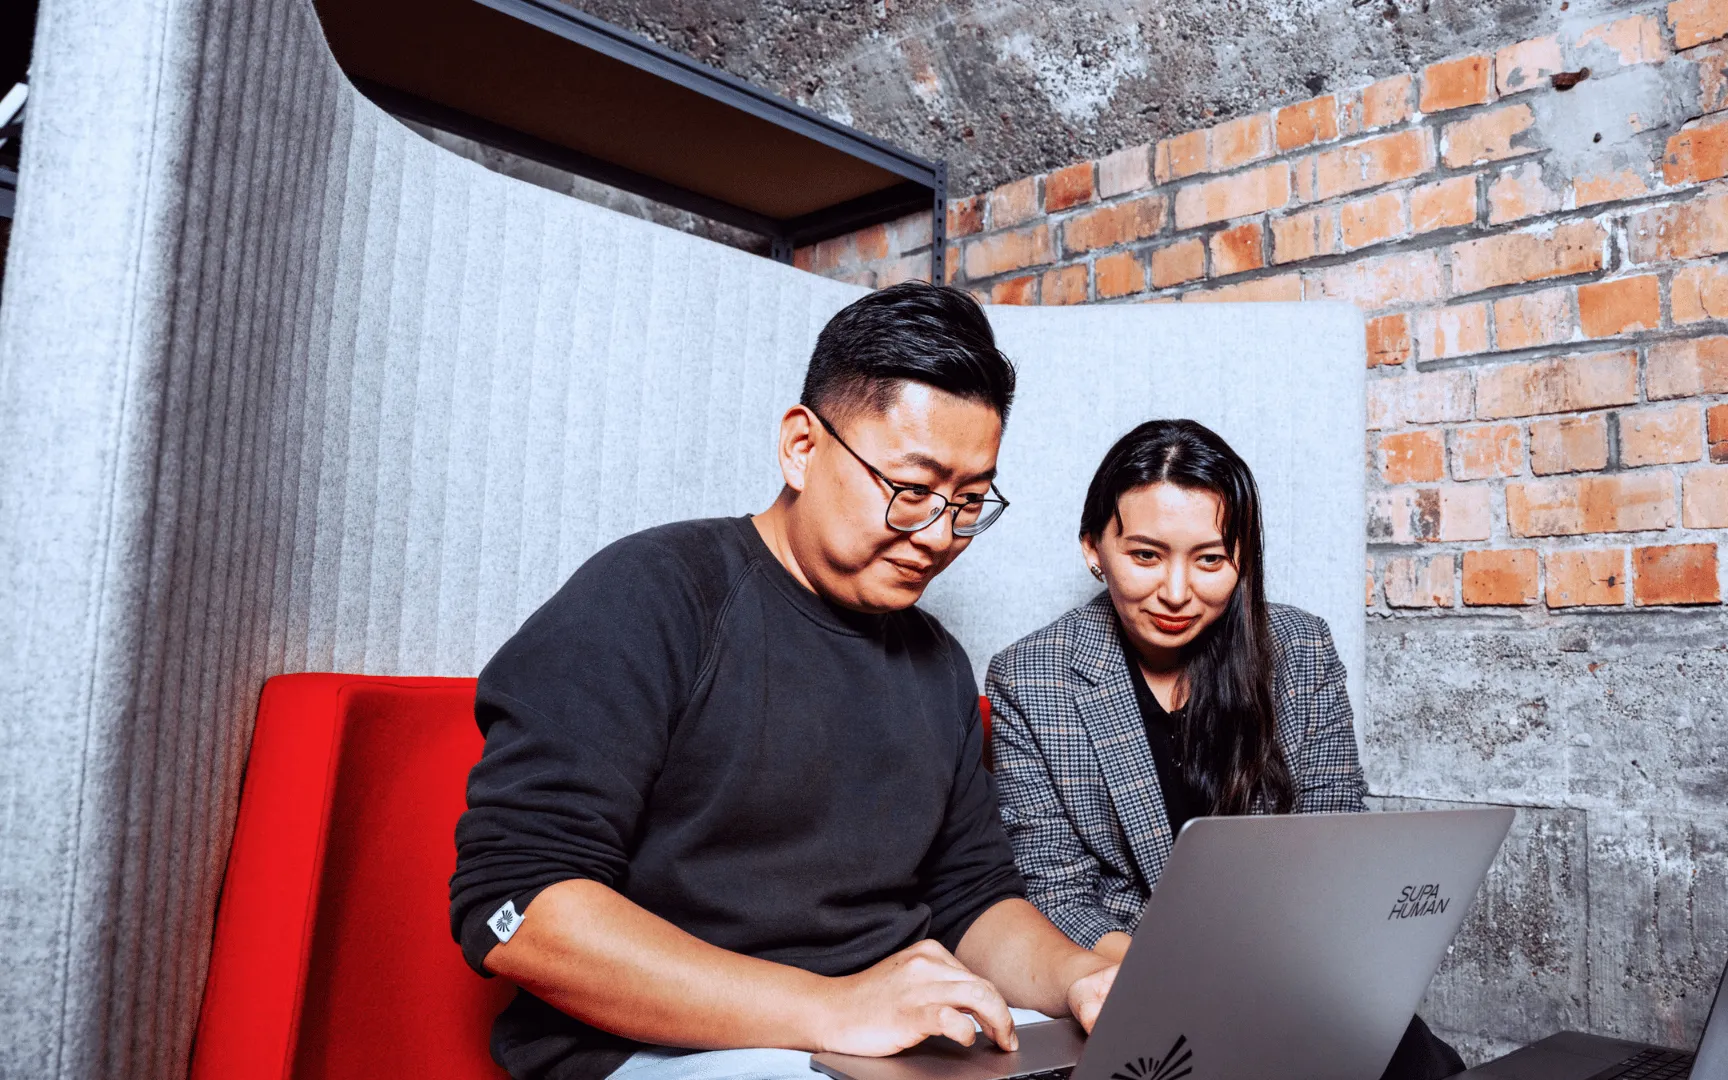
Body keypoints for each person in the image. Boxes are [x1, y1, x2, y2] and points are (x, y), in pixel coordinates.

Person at [450, 282, 1117, 1080]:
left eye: (969, 502)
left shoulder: (935, 661)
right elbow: (517, 911)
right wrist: (832, 1009)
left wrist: (1079, 976)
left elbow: (975, 898)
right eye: (911, 491)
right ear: (802, 447)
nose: (940, 536)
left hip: (873, 1037)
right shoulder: (653, 594)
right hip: (663, 1050)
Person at [986, 418, 1466, 1080]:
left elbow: (1336, 839)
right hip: (1131, 983)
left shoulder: (1300, 650)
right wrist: (1179, 976)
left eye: (1210, 559)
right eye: (1146, 556)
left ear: (1242, 558)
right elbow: (1052, 884)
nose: (1178, 593)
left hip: (1300, 977)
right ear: (1094, 548)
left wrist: (1287, 973)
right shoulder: (1030, 676)